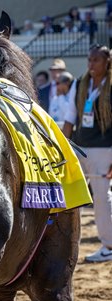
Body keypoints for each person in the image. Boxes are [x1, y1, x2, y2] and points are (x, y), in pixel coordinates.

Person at [63, 44, 112, 262]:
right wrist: (63, 147)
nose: (91, 65)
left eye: (96, 60)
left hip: (105, 149)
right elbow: (69, 118)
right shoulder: (79, 84)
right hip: (79, 148)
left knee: (102, 198)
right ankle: (69, 245)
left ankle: (109, 245)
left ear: (107, 62)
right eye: (89, 60)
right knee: (73, 197)